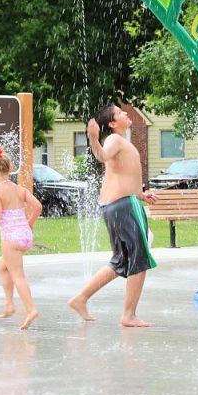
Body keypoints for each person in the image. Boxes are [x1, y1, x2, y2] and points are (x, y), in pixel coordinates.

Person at [68, 103, 157, 327]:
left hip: (118, 204)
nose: (125, 113)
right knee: (139, 259)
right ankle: (129, 315)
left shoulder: (123, 143)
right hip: (123, 206)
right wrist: (93, 139)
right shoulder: (114, 140)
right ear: (112, 123)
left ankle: (81, 298)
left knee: (121, 261)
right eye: (119, 112)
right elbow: (102, 156)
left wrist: (142, 194)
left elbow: (124, 176)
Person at [0, 147, 42, 330]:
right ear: (10, 168)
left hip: (11, 238)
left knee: (18, 275)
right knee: (3, 266)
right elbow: (38, 207)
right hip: (24, 235)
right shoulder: (20, 190)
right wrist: (29, 224)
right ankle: (9, 304)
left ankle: (31, 309)